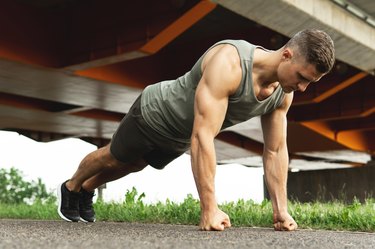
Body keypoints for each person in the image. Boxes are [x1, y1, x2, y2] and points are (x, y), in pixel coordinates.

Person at [57, 29, 335, 231]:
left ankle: (86, 190)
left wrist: (281, 211)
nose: (302, 88)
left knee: (136, 164)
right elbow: (203, 135)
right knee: (113, 157)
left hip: (179, 135)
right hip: (156, 112)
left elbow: (275, 151)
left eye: (310, 82)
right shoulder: (231, 62)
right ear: (286, 55)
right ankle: (71, 187)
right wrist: (209, 209)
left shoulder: (282, 94)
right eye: (301, 77)